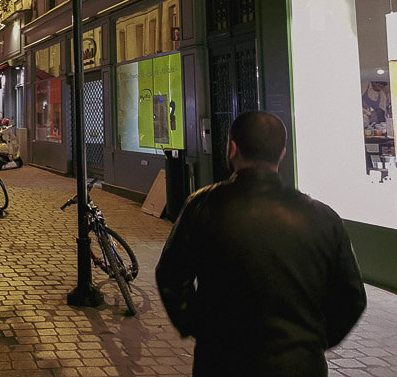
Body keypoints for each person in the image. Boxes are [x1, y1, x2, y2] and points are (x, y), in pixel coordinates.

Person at [155, 111, 367, 377]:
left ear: (232, 149)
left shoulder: (203, 205)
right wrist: (314, 340)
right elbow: (352, 297)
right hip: (300, 365)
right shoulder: (323, 217)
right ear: (282, 153)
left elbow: (171, 275)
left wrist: (198, 325)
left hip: (222, 361)